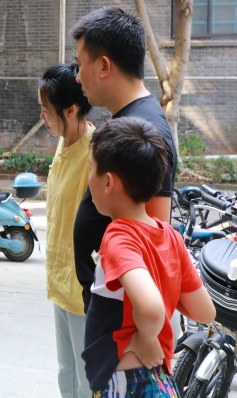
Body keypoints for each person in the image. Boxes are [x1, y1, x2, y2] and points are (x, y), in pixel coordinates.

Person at [81, 117, 214, 397]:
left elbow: (152, 309)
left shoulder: (119, 236)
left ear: (108, 182)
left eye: (91, 168)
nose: (89, 178)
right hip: (159, 382)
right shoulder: (170, 236)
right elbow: (205, 311)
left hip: (127, 382)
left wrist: (143, 338)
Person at [70, 6, 178, 312]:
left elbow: (153, 241)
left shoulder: (146, 131)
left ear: (104, 66)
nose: (77, 77)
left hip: (122, 322)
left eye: (80, 65)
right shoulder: (130, 121)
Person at [39, 64, 94, 398]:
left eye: (47, 110)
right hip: (59, 280)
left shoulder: (94, 152)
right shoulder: (64, 142)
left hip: (82, 288)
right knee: (65, 373)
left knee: (87, 381)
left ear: (70, 110)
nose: (42, 117)